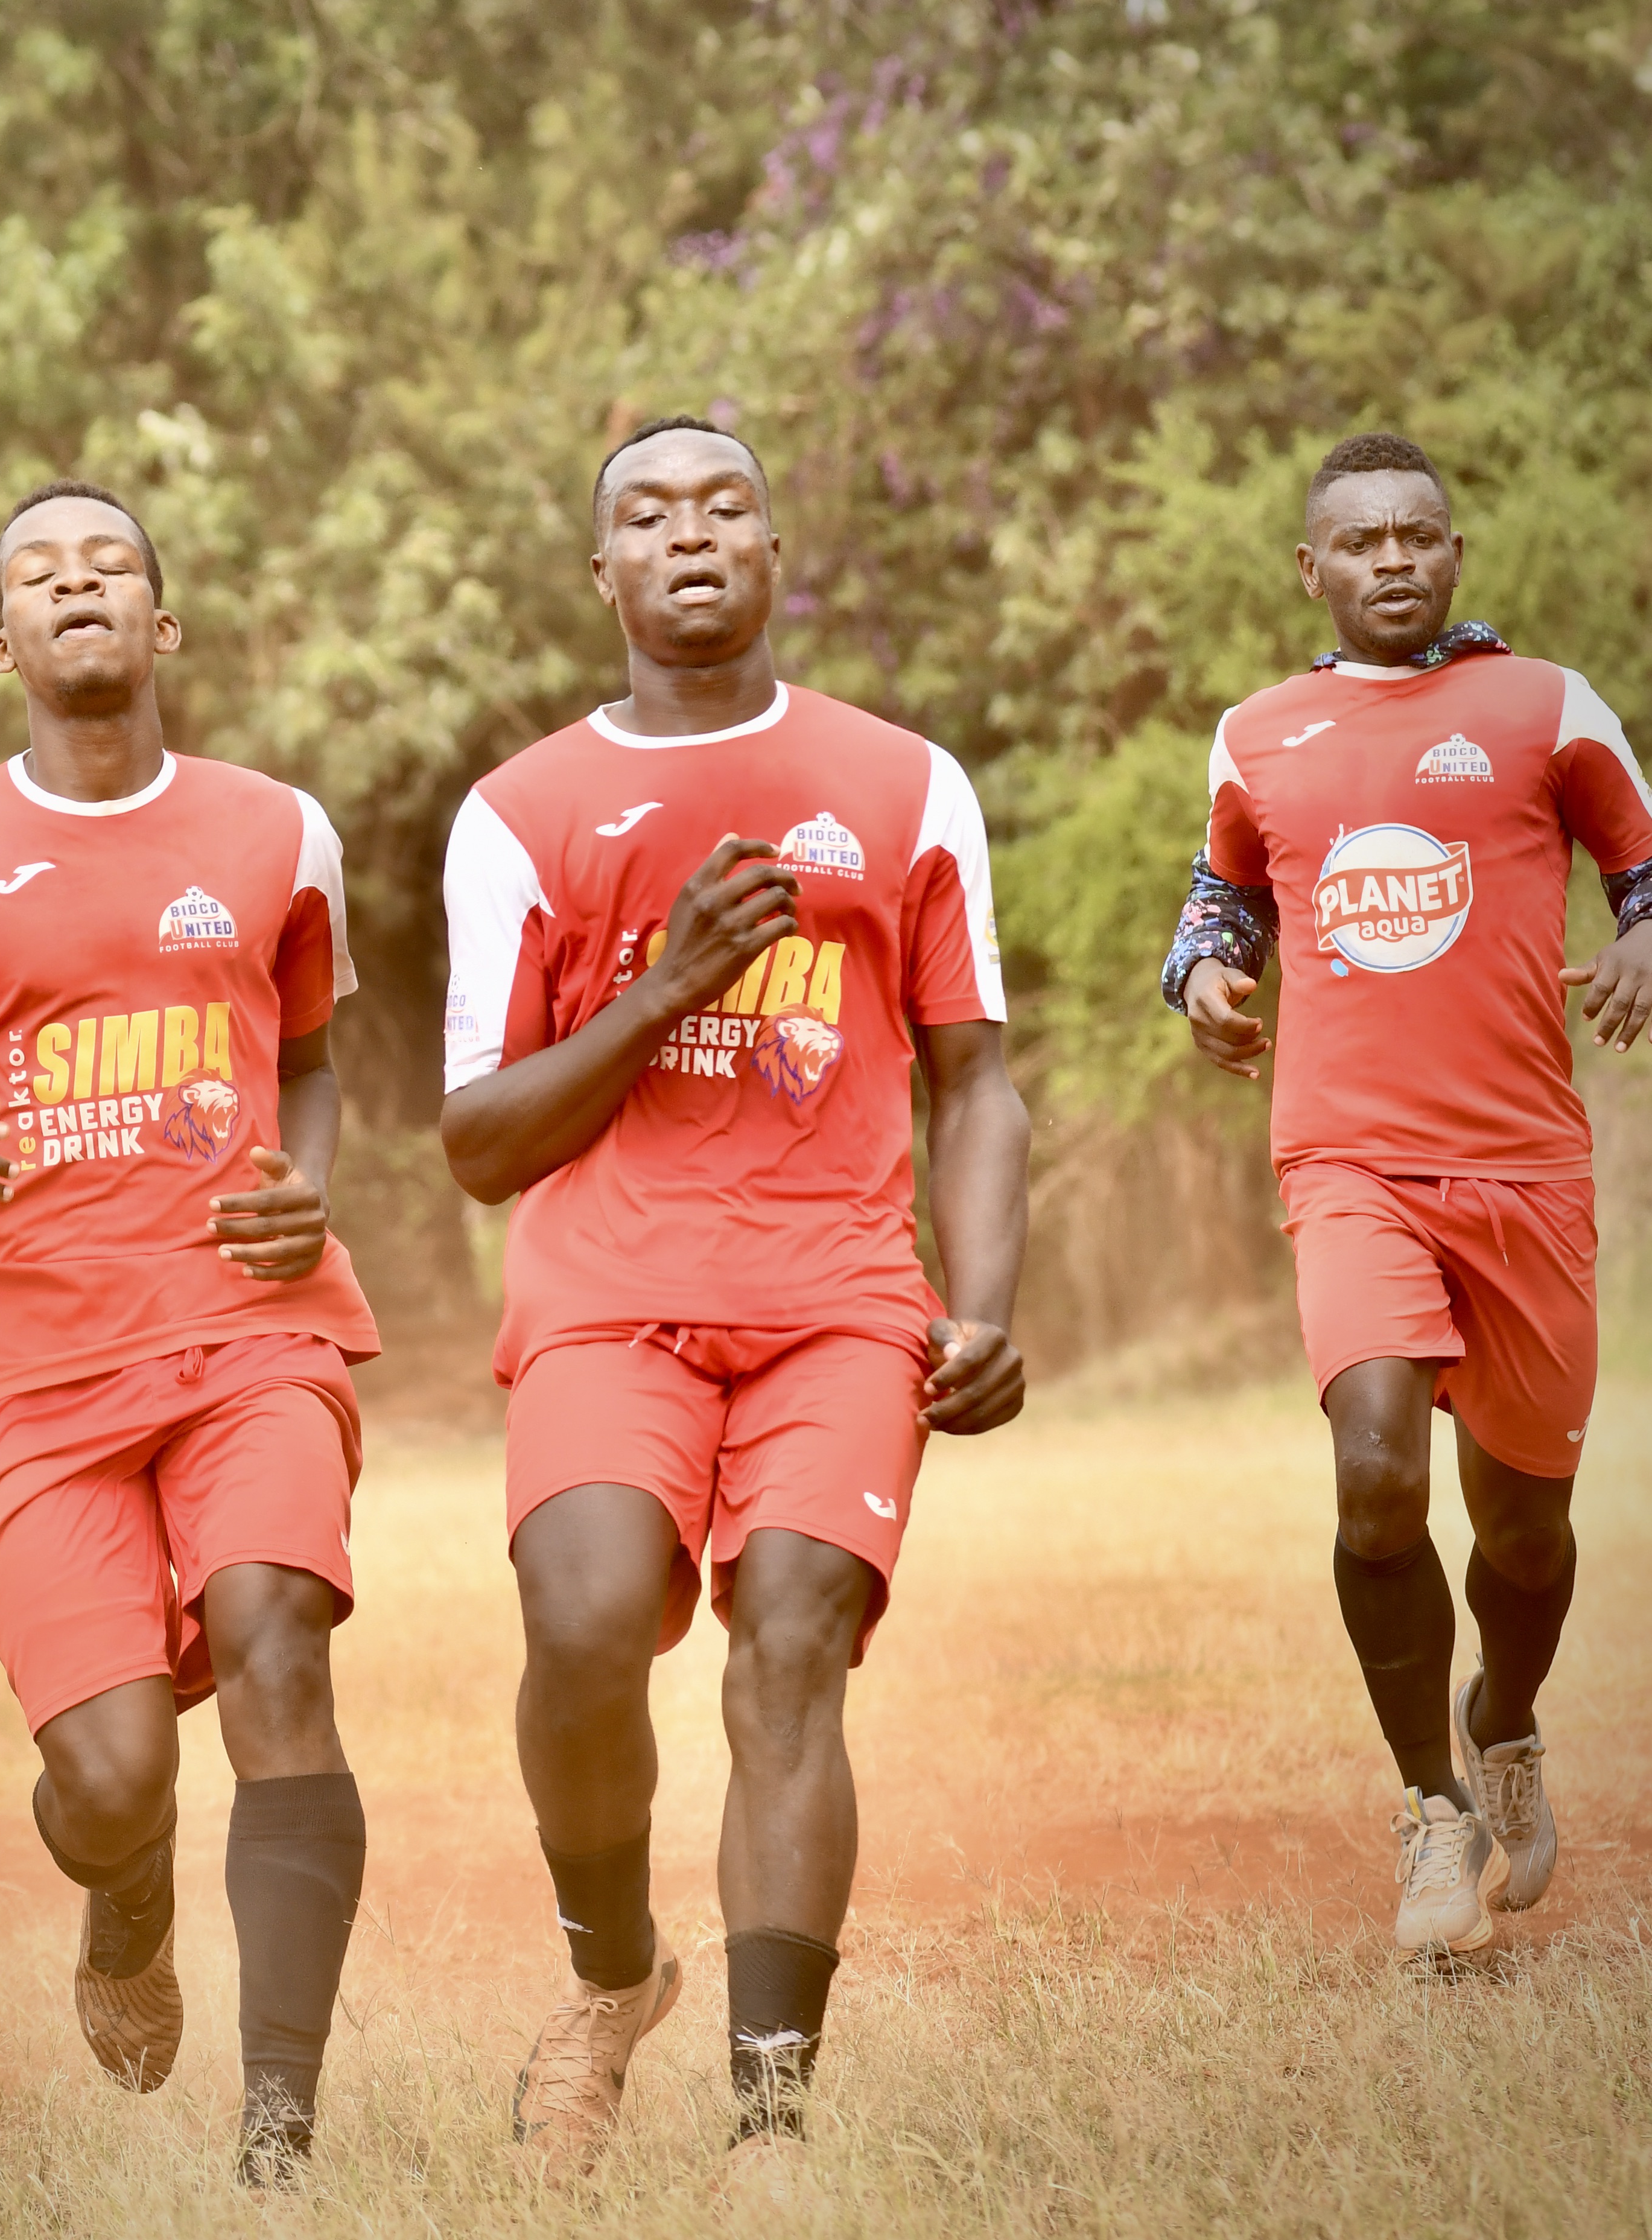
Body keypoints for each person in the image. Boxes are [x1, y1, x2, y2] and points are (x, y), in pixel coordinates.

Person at [439, 417, 1030, 2178]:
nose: (688, 534)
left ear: (777, 552)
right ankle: (610, 1975)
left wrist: (984, 1294)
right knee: (588, 1619)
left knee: (788, 1648)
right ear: (600, 573)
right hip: (607, 1300)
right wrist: (666, 984)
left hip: (841, 1294)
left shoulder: (906, 784)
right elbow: (480, 1137)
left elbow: (975, 1073)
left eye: (724, 506)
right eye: (645, 513)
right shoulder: (519, 813)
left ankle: (773, 2122)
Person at [0, 482, 380, 2185]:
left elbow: (321, 1059)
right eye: (40, 576)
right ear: (2, 642)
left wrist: (309, 1186)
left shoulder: (280, 830)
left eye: (111, 566)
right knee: (115, 1771)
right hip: (32, 1367)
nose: (79, 587)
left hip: (245, 1327)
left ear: (163, 622)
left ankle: (281, 2138)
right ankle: (124, 1894)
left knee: (281, 1638)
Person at [1163, 431, 1652, 1958]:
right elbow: (1217, 897)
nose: (1391, 557)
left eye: (1417, 535)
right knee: (1373, 1471)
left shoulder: (1542, 706)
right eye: (1358, 539)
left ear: (1453, 555)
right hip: (1347, 1161)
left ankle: (1500, 1722)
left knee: (1521, 1532)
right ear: (1307, 566)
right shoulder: (1257, 733)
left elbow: (1646, 870)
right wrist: (1201, 978)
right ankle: (1430, 1809)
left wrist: (1643, 936)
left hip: (1522, 1162)